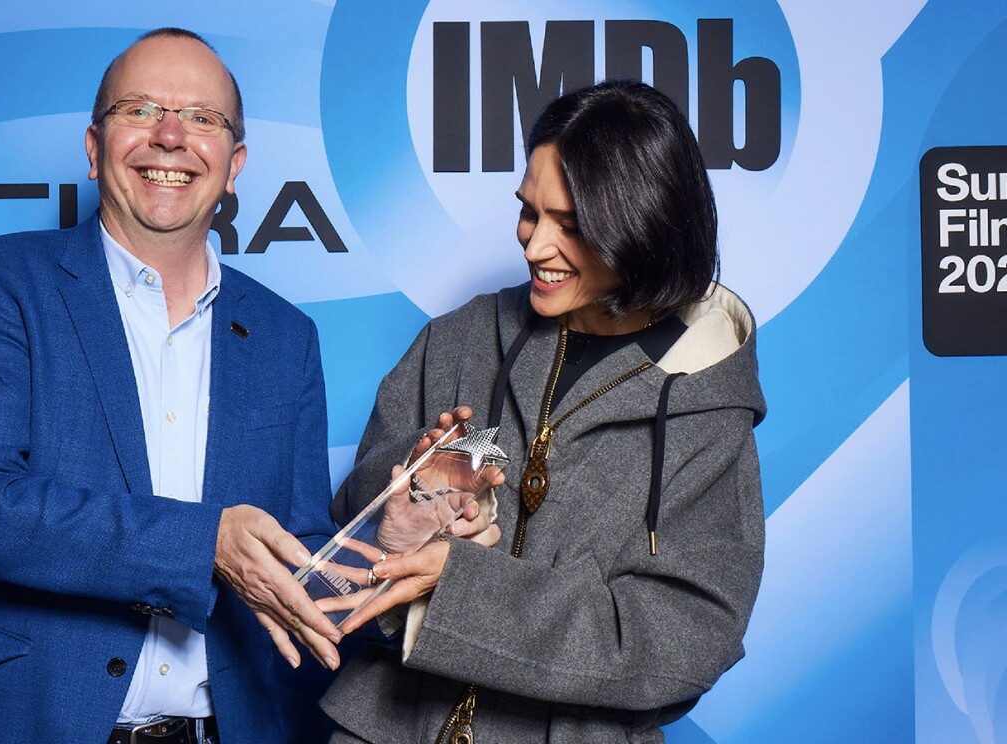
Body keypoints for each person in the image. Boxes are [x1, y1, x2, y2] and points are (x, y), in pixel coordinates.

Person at [0, 28, 343, 744]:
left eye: (202, 119)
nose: (170, 136)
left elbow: (297, 551)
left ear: (233, 165)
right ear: (92, 146)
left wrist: (390, 532)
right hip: (24, 722)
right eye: (139, 110)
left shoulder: (286, 336)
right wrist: (202, 545)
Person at [320, 80, 768, 744]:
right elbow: (349, 520)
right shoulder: (460, 337)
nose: (534, 245)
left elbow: (683, 640)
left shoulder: (706, 402)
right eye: (529, 212)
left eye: (573, 225)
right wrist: (411, 496)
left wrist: (465, 591)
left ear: (645, 223)